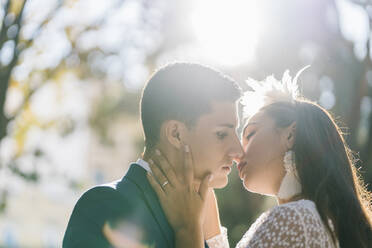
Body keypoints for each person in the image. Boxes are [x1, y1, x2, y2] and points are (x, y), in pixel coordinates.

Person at [147, 69, 372, 248]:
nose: (238, 153)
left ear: (290, 135)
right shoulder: (318, 218)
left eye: (250, 134)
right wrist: (209, 220)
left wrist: (187, 228)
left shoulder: (292, 219)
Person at [62, 62, 244, 248]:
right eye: (222, 134)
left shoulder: (203, 217)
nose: (238, 151)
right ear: (176, 134)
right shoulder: (103, 205)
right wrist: (186, 232)